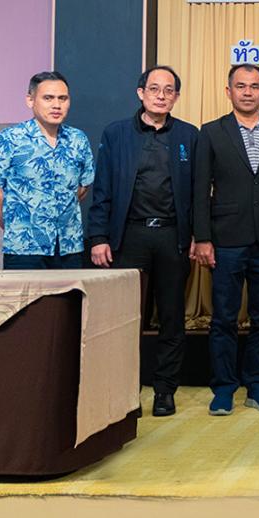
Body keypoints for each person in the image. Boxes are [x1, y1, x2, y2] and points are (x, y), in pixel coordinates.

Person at [87, 66, 198, 417]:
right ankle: (125, 393)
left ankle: (165, 391)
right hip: (129, 237)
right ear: (140, 93)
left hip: (172, 237)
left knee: (172, 318)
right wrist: (99, 237)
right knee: (126, 319)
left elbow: (198, 193)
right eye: (154, 89)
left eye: (168, 90)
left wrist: (198, 236)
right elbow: (102, 189)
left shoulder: (189, 135)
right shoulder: (116, 133)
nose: (161, 96)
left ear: (176, 96)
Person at [192, 64, 259, 416]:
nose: (247, 92)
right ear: (229, 91)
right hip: (226, 240)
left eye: (254, 86)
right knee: (223, 318)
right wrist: (203, 238)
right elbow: (200, 190)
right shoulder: (211, 132)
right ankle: (223, 389)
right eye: (241, 86)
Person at [0, 71, 94, 270]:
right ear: (30, 100)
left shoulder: (78, 140)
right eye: (48, 98)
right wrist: (16, 225)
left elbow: (83, 188)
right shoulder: (10, 139)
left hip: (69, 247)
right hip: (24, 249)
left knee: (70, 292)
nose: (56, 105)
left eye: (63, 98)